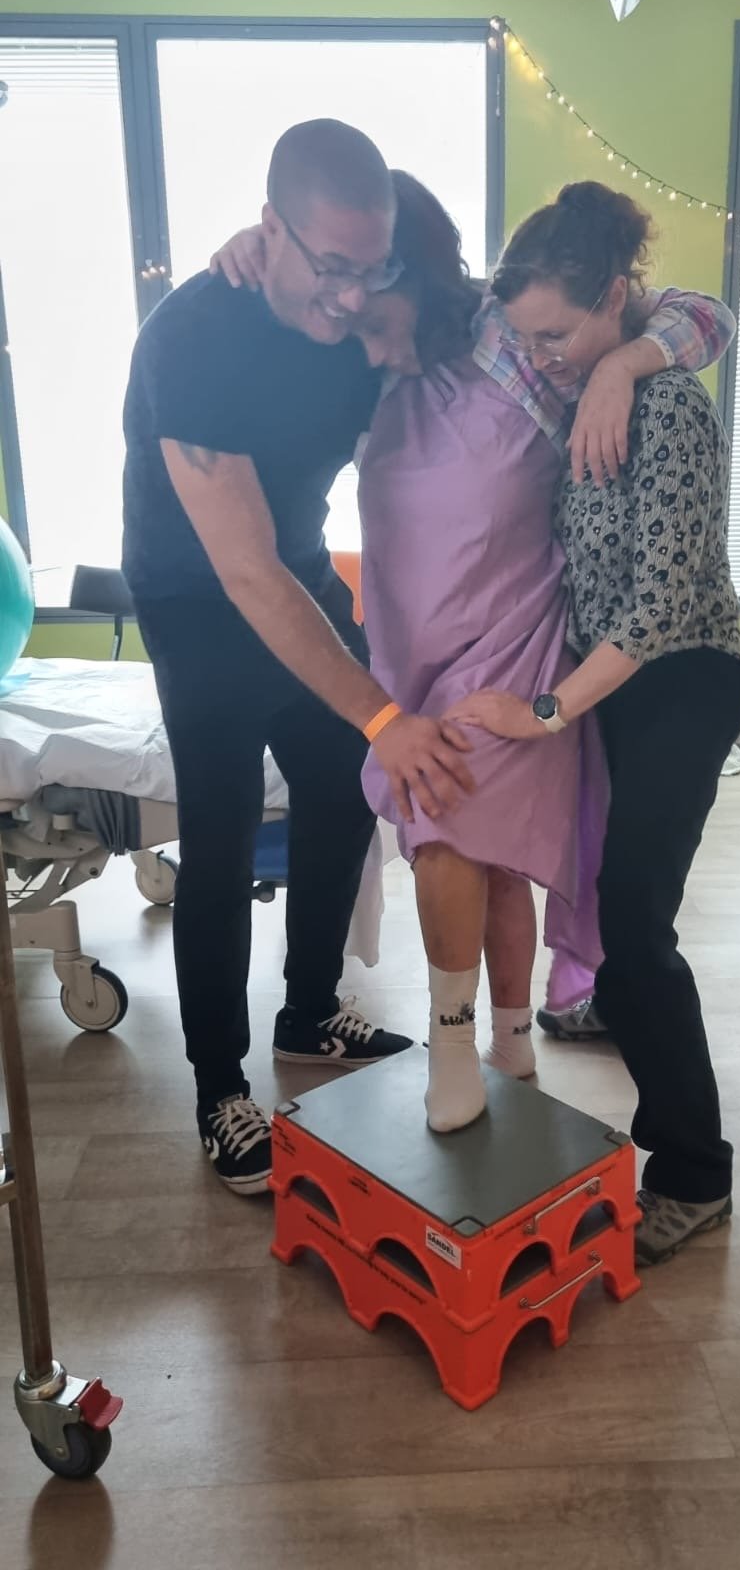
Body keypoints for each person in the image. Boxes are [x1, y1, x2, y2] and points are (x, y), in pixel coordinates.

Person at [213, 174, 735, 1138]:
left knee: (458, 832)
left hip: (510, 634)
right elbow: (283, 322)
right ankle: (512, 1043)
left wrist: (624, 365)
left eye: (376, 314)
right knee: (486, 863)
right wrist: (247, 258)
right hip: (410, 639)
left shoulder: (518, 338)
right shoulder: (360, 358)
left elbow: (707, 315)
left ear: (415, 275)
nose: (366, 345)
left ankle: (459, 1046)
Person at [122, 119, 475, 1196]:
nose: (349, 300)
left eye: (367, 272)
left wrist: (632, 360)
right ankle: (219, 1086)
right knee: (223, 841)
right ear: (268, 229)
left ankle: (312, 1008)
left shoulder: (365, 307)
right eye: (327, 268)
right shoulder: (192, 340)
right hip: (198, 590)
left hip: (300, 566)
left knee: (343, 787)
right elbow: (245, 573)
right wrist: (384, 711)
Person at [448, 182, 740, 1263]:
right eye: (530, 336)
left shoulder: (670, 405)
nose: (545, 355)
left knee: (638, 922)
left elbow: (664, 602)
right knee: (607, 895)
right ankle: (611, 1001)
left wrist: (545, 710)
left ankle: (695, 1170)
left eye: (563, 333)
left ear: (618, 298)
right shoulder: (571, 373)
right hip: (613, 685)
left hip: (684, 675)